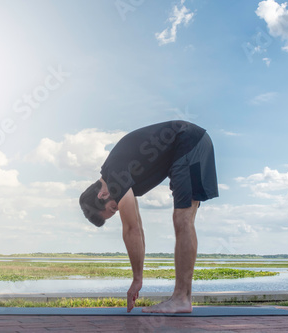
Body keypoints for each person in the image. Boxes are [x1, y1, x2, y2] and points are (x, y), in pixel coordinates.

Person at [79, 120, 218, 313]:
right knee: (185, 219)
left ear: (102, 194)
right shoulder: (118, 174)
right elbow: (138, 228)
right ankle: (183, 298)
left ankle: (181, 299)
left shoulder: (115, 176)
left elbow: (130, 229)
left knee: (182, 219)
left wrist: (137, 279)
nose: (118, 209)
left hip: (187, 141)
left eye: (113, 208)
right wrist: (138, 277)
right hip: (196, 140)